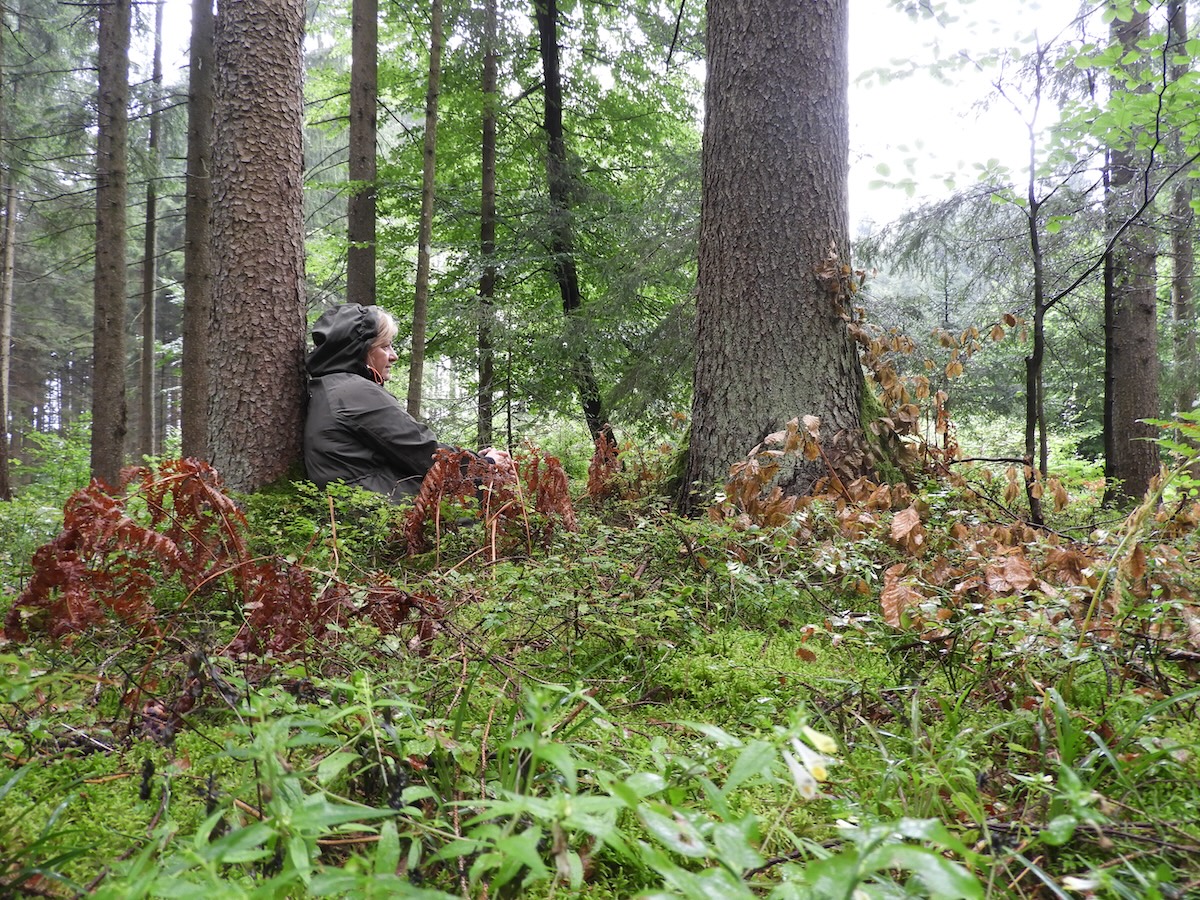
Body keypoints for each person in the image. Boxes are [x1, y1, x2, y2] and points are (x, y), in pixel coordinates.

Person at [303, 303, 507, 502]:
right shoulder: (355, 392)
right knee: (474, 504)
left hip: (358, 502)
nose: (394, 356)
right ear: (359, 350)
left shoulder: (331, 387)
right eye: (385, 346)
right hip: (378, 508)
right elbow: (423, 451)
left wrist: (473, 459)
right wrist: (486, 465)